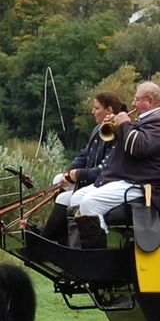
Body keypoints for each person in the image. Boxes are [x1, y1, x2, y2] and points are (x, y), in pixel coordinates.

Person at [66, 80, 160, 247]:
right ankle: (77, 250)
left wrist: (124, 123)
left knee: (89, 203)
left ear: (149, 101)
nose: (133, 103)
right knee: (76, 199)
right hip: (127, 179)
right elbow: (130, 141)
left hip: (141, 183)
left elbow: (138, 147)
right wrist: (116, 127)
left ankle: (98, 255)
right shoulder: (150, 119)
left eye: (137, 99)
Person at [42, 91, 126, 242]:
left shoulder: (117, 132)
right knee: (58, 180)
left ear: (109, 110)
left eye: (97, 108)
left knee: (67, 197)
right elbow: (84, 154)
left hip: (104, 182)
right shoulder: (97, 129)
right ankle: (54, 238)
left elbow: (105, 169)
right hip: (93, 178)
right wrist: (69, 172)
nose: (93, 111)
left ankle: (55, 240)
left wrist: (79, 175)